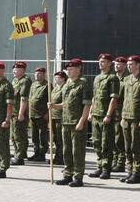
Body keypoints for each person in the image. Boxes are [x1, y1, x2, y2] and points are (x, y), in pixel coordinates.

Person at [49, 58, 92, 187]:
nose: (68, 71)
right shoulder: (67, 84)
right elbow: (65, 104)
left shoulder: (83, 84)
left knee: (77, 151)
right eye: (67, 69)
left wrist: (82, 121)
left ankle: (78, 177)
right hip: (66, 121)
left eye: (71, 69)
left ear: (78, 69)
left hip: (76, 122)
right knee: (66, 150)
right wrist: (54, 106)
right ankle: (68, 174)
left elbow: (87, 105)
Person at [119, 55, 140, 184]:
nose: (128, 66)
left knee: (136, 146)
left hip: (137, 117)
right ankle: (130, 171)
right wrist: (122, 117)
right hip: (126, 116)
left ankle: (137, 173)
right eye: (128, 64)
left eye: (131, 64)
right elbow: (123, 99)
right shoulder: (126, 79)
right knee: (127, 146)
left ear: (138, 65)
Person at [88, 53, 119, 179]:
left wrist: (108, 115)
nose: (101, 63)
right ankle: (99, 166)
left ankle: (106, 168)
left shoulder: (112, 78)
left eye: (104, 61)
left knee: (106, 143)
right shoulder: (97, 78)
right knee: (96, 142)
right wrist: (90, 112)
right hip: (96, 114)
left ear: (109, 63)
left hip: (105, 116)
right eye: (100, 61)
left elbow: (114, 99)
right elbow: (95, 97)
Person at [10, 61, 31, 165]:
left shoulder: (25, 81)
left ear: (22, 70)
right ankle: (18, 153)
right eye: (14, 68)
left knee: (19, 135)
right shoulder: (15, 81)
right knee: (13, 135)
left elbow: (24, 99)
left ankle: (20, 157)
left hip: (19, 112)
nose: (14, 70)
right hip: (13, 112)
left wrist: (21, 113)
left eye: (17, 68)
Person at [27, 66, 49, 162]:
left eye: (39, 73)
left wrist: (48, 113)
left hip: (42, 115)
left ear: (44, 74)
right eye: (36, 73)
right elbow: (30, 99)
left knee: (42, 136)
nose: (37, 75)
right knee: (34, 136)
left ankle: (42, 154)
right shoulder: (33, 85)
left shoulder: (47, 86)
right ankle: (36, 153)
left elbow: (50, 100)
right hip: (33, 114)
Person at [112, 56, 128, 172]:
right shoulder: (113, 78)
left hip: (121, 112)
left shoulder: (127, 79)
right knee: (112, 138)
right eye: (115, 64)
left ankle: (121, 162)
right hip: (111, 112)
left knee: (119, 139)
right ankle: (114, 160)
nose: (117, 66)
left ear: (124, 65)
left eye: (119, 64)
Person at [50, 70, 66, 165]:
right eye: (55, 78)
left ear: (63, 78)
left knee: (61, 138)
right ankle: (57, 156)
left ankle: (61, 157)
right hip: (54, 115)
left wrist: (54, 106)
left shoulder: (64, 88)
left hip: (61, 116)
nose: (56, 79)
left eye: (58, 78)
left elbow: (64, 103)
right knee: (56, 138)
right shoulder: (56, 88)